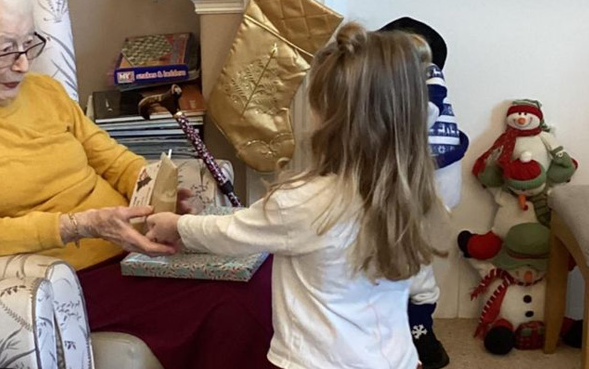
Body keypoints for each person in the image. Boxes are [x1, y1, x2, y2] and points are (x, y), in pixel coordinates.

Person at [0, 0, 273, 368]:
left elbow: (111, 159)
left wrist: (156, 190)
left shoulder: (46, 92)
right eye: (7, 50)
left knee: (263, 273)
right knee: (232, 304)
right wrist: (82, 224)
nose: (24, 65)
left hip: (132, 249)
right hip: (66, 278)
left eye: (30, 43)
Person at [146, 22, 447, 369]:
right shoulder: (408, 191)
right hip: (397, 360)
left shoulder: (302, 200)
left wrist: (177, 225)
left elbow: (230, 233)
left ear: (331, 118)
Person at [380, 17, 470, 369]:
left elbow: (426, 118)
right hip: (395, 192)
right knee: (395, 264)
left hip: (428, 192)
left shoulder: (431, 96)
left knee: (416, 263)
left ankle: (418, 329)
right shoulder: (386, 98)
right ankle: (403, 327)